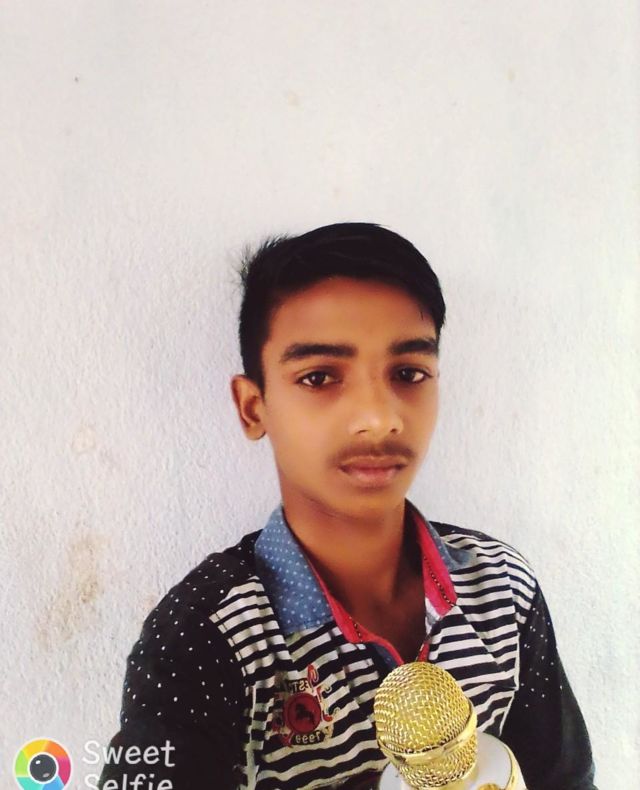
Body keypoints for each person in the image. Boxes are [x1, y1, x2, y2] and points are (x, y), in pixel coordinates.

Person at [99, 223, 596, 789]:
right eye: (319, 377)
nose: (378, 418)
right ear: (254, 408)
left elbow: (563, 779)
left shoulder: (502, 587)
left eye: (408, 373)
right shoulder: (208, 637)